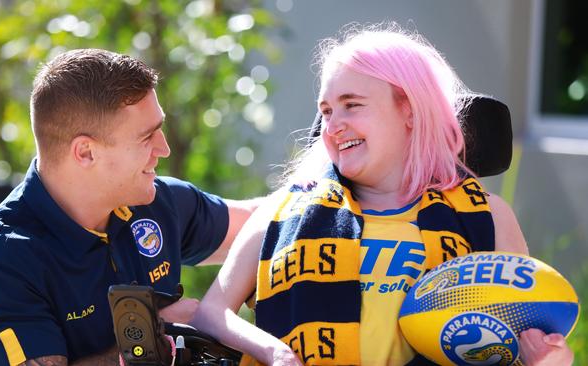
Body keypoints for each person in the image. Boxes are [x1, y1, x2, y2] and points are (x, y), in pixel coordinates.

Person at [190, 25, 574, 365]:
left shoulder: (488, 216)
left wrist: (547, 357)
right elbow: (212, 312)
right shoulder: (282, 211)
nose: (333, 126)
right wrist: (274, 353)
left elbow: (523, 333)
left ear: (409, 109)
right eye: (325, 111)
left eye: (351, 105)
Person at [0, 49, 260, 365]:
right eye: (146, 137)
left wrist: (312, 164)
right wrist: (152, 338)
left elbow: (269, 223)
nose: (163, 148)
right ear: (85, 152)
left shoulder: (155, 204)